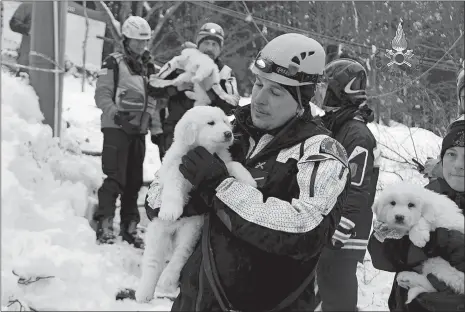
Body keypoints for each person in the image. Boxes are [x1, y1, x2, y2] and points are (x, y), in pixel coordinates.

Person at [145, 33, 351, 311]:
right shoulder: (228, 131)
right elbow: (155, 201)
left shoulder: (321, 151)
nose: (259, 99)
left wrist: (221, 188)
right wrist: (181, 198)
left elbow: (306, 230)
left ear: (303, 98)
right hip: (194, 300)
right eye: (257, 84)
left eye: (276, 92)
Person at [367, 115, 464, 312]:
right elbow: (381, 257)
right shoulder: (424, 194)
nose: (458, 165)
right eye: (451, 154)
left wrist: (446, 239)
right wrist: (397, 242)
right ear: (442, 158)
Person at [311, 58, 380, 311]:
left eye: (325, 86)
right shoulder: (335, 125)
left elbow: (357, 188)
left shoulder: (356, 134)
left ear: (340, 91)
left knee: (336, 290)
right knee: (321, 288)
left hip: (345, 231)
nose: (319, 92)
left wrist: (341, 229)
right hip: (329, 226)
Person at [93, 16, 162, 248]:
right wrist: (116, 114)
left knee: (133, 181)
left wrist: (155, 129)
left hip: (138, 132)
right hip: (116, 128)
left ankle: (130, 227)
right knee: (115, 178)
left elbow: (154, 101)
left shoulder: (150, 67)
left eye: (144, 41)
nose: (141, 46)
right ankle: (104, 223)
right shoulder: (113, 62)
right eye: (136, 41)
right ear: (126, 39)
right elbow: (102, 94)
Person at [149, 22, 239, 159]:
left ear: (220, 48)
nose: (210, 48)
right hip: (175, 134)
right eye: (206, 43)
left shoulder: (225, 73)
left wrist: (210, 89)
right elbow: (152, 87)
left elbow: (233, 107)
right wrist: (176, 87)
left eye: (215, 44)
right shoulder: (180, 62)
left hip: (210, 140)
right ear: (198, 44)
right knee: (172, 176)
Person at [9, 2, 33, 77]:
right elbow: (13, 23)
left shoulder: (57, 9)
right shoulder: (29, 5)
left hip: (48, 66)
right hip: (26, 66)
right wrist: (27, 29)